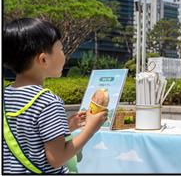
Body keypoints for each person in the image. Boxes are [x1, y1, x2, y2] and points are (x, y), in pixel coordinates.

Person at [3, 18, 107, 174]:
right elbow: (57, 159)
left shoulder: (6, 96)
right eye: (61, 49)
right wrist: (91, 129)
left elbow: (27, 134)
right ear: (43, 59)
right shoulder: (48, 102)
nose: (64, 55)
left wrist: (67, 126)